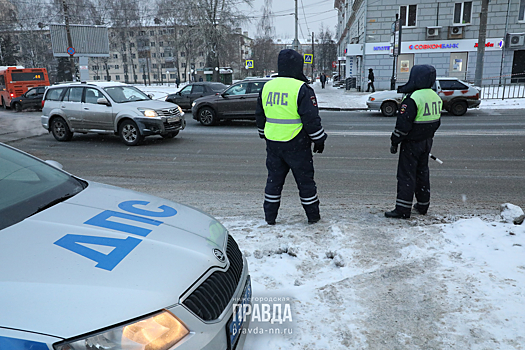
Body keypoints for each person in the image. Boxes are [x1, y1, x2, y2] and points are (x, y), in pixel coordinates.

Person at [255, 49, 328, 225]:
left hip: (273, 144)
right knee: (305, 183)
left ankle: (270, 217)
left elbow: (260, 114)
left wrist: (263, 133)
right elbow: (311, 118)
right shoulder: (301, 88)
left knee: (274, 182)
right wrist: (319, 139)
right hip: (297, 144)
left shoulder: (267, 87)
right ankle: (313, 217)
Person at [385, 64, 442, 219]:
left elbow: (403, 126)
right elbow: (437, 122)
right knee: (422, 173)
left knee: (406, 175)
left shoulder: (412, 98)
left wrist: (395, 141)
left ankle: (402, 209)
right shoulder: (434, 96)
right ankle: (423, 205)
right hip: (427, 142)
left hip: (411, 144)